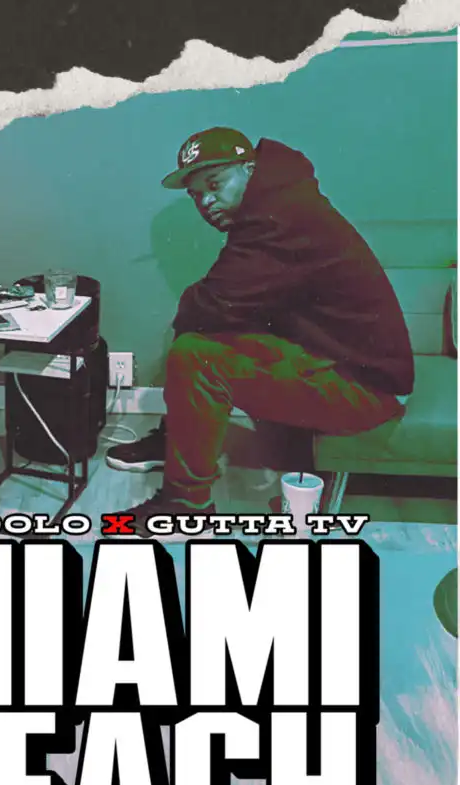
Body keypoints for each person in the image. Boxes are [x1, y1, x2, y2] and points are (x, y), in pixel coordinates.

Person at [105, 127, 414, 533]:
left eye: (214, 184)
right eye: (196, 195)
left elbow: (212, 302)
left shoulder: (278, 219)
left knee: (195, 354)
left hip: (366, 392)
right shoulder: (280, 203)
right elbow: (223, 303)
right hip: (342, 366)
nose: (205, 201)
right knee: (205, 332)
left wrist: (198, 310)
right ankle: (176, 438)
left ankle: (184, 506)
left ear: (249, 169)